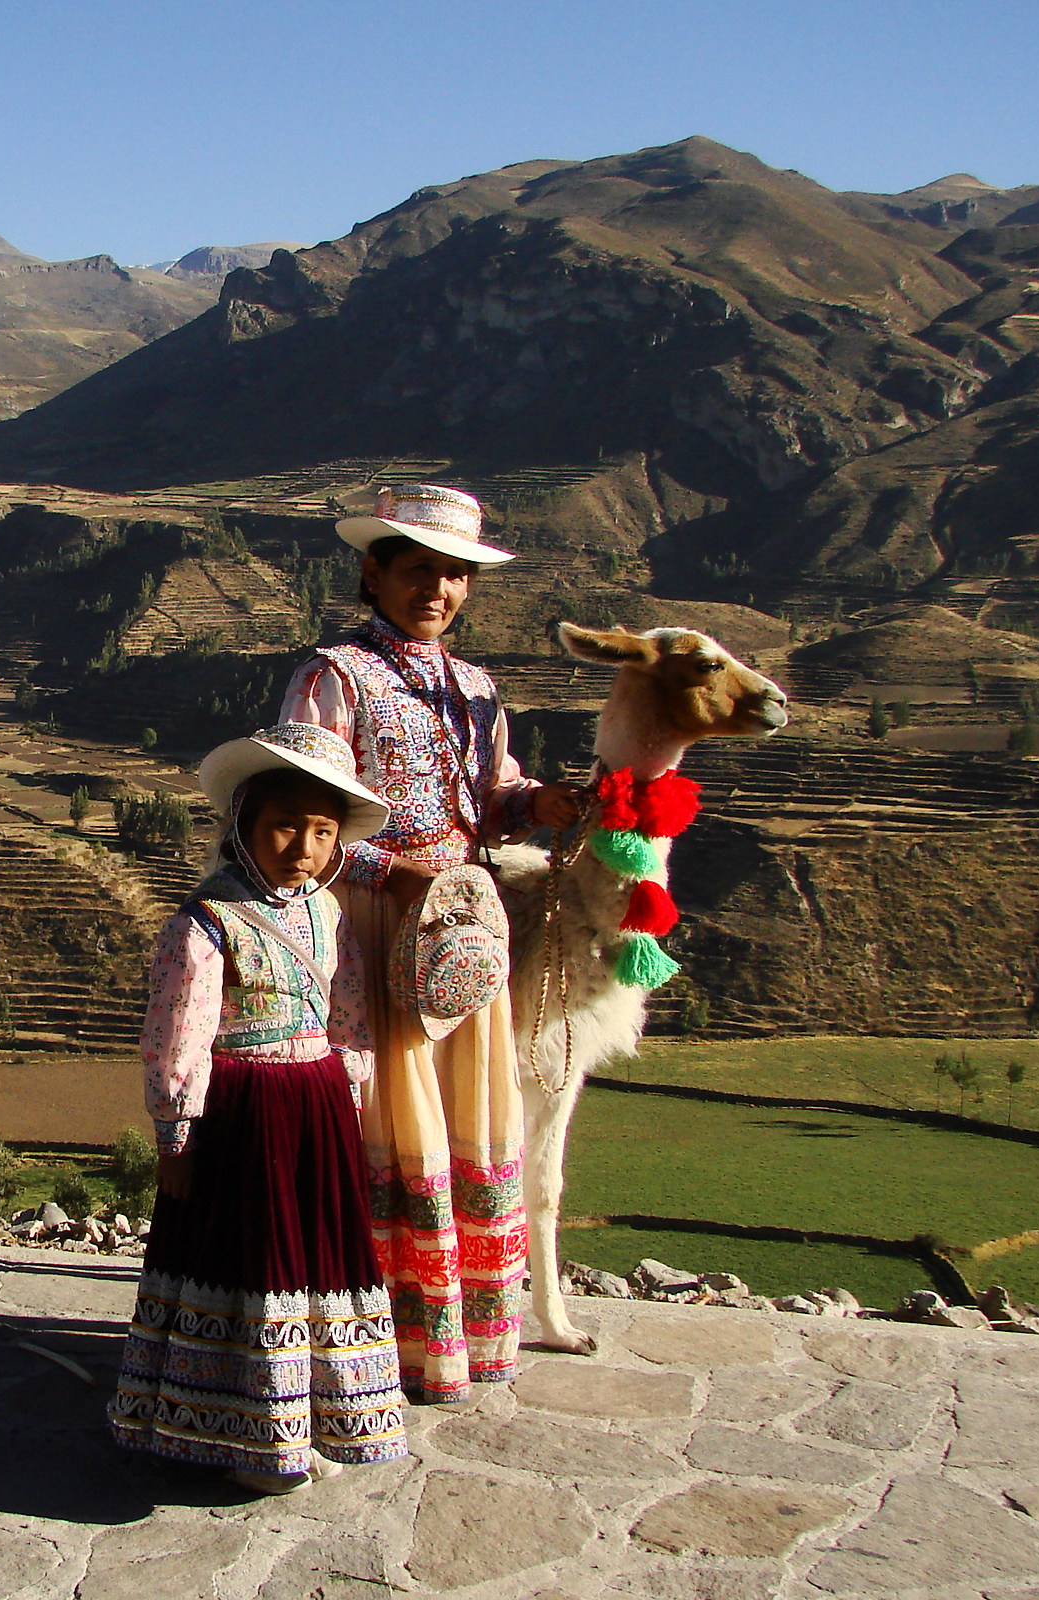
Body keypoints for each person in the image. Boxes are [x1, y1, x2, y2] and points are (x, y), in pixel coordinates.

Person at [278, 483, 584, 1404]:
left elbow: (491, 798)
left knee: (455, 1119)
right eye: (420, 569)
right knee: (384, 1118)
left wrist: (540, 807)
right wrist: (387, 874)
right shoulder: (333, 677)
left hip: (458, 931)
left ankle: (445, 1340)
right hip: (370, 928)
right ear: (374, 572)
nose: (439, 588)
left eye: (455, 573)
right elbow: (300, 810)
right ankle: (363, 1333)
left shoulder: (478, 691)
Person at [108, 722, 409, 1495]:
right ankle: (248, 1433)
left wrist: (350, 1088)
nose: (302, 848)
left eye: (320, 831)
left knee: (315, 1260)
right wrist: (177, 1138)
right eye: (283, 825)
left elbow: (346, 1012)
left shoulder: (328, 914)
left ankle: (314, 1417)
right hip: (242, 1115)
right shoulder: (203, 925)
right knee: (250, 1259)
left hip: (314, 1106)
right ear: (242, 824)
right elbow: (180, 1037)